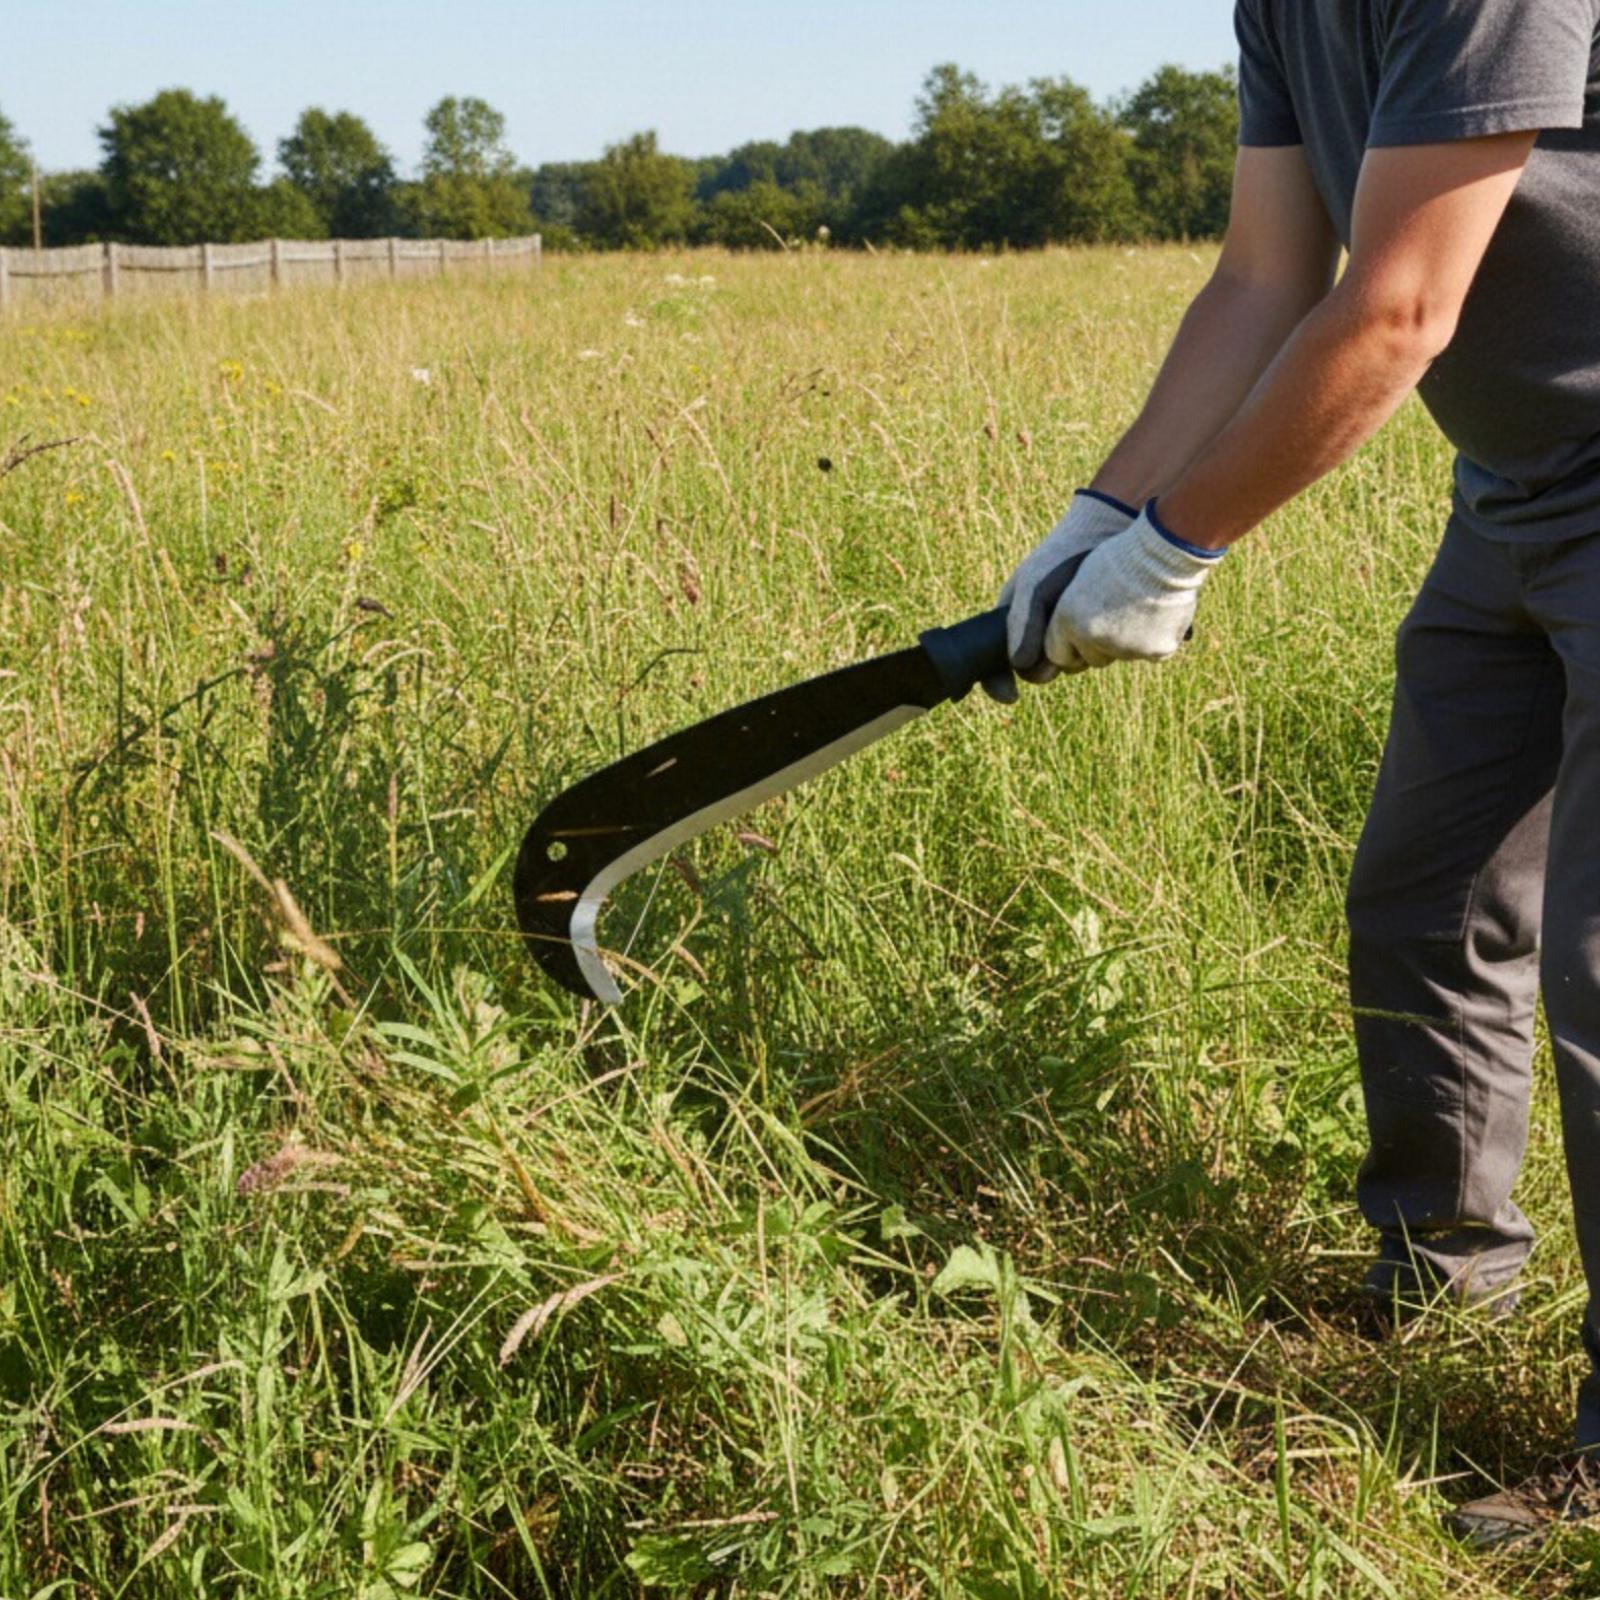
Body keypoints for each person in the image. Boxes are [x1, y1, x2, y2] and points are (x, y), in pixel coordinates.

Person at [989, 0, 1600, 1551]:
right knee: (1427, 896)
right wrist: (1101, 513)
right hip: (1520, 491)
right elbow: (1268, 273)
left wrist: (1181, 543)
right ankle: (1442, 1282)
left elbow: (1398, 310)